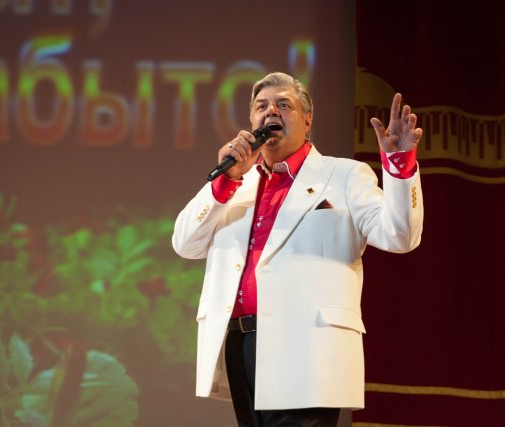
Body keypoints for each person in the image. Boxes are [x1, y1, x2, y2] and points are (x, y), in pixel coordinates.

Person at [172, 72, 424, 427]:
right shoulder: (236, 183)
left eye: (283, 104)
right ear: (252, 120)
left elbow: (399, 236)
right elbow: (185, 243)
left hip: (308, 347)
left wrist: (399, 164)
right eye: (261, 106)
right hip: (241, 344)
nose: (270, 111)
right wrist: (225, 180)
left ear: (307, 120)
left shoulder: (344, 175)